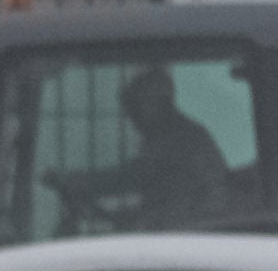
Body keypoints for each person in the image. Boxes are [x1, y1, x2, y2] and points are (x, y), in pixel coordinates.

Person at [47, 65, 233, 232]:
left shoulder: (180, 138)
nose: (134, 121)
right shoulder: (168, 135)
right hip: (179, 222)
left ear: (158, 104)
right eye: (131, 112)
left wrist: (77, 181)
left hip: (191, 229)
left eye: (137, 109)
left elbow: (130, 177)